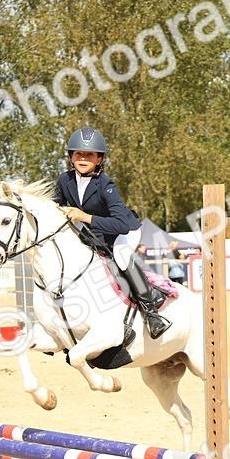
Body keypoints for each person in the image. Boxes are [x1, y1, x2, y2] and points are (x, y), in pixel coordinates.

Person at [53, 127, 172, 339]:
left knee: (121, 256)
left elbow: (121, 225)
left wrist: (84, 217)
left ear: (99, 159)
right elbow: (55, 206)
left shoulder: (105, 184)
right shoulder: (65, 180)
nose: (83, 158)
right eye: (78, 153)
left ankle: (152, 314)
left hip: (123, 231)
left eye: (89, 154)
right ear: (71, 156)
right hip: (95, 232)